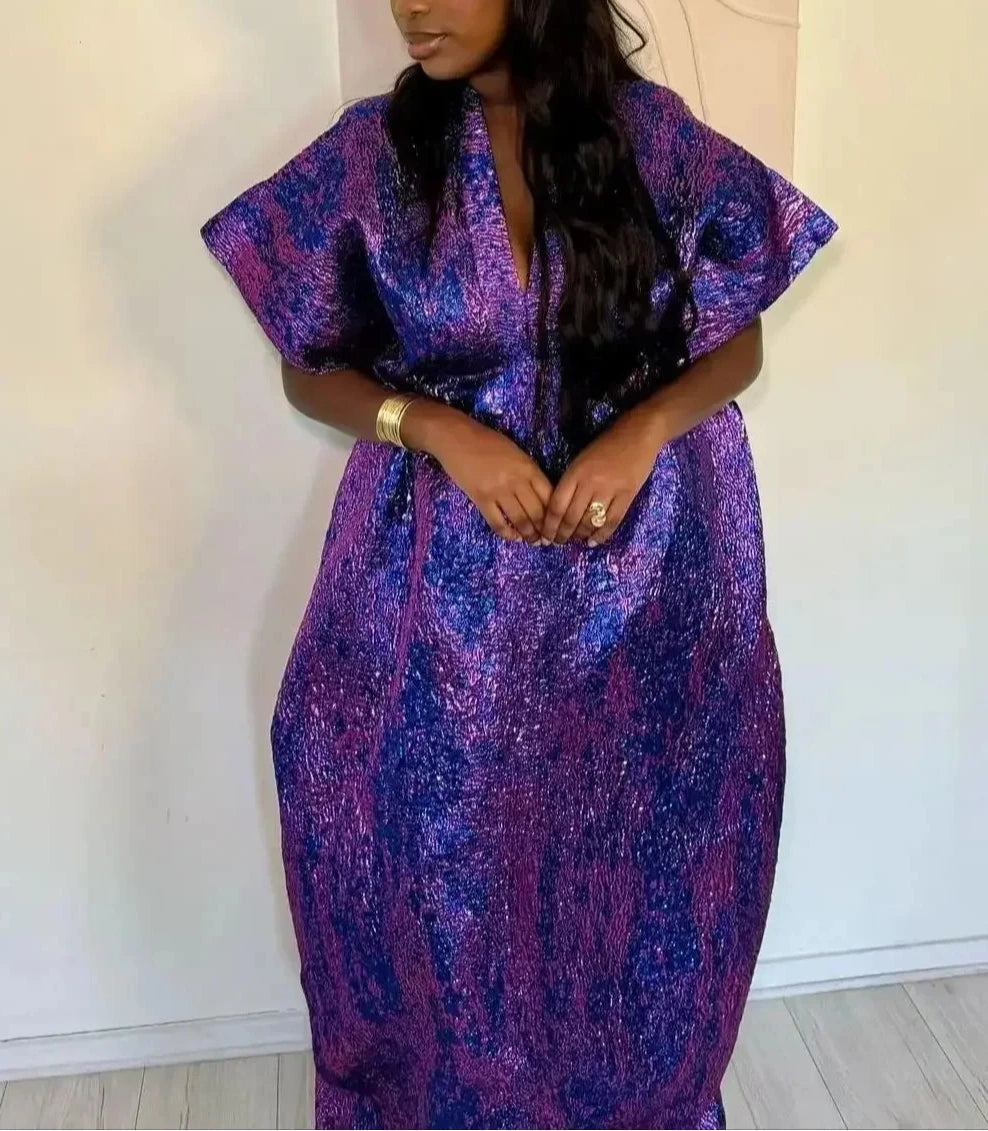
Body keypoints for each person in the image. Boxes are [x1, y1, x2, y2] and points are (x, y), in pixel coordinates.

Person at [201, 0, 836, 1126]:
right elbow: (309, 362)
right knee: (422, 864)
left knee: (640, 874)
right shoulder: (379, 155)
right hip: (431, 588)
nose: (411, 4)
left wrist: (642, 432)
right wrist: (434, 426)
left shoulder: (652, 140)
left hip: (648, 575)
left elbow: (734, 336)